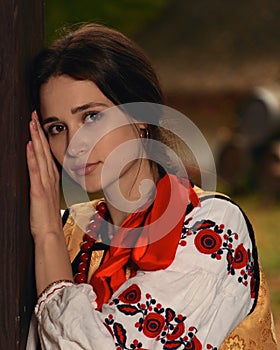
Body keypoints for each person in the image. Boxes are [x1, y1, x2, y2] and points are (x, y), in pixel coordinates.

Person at [26, 23, 277, 349]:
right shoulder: (69, 231)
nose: (75, 144)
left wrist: (46, 234)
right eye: (57, 127)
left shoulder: (212, 227)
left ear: (142, 116)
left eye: (91, 117)